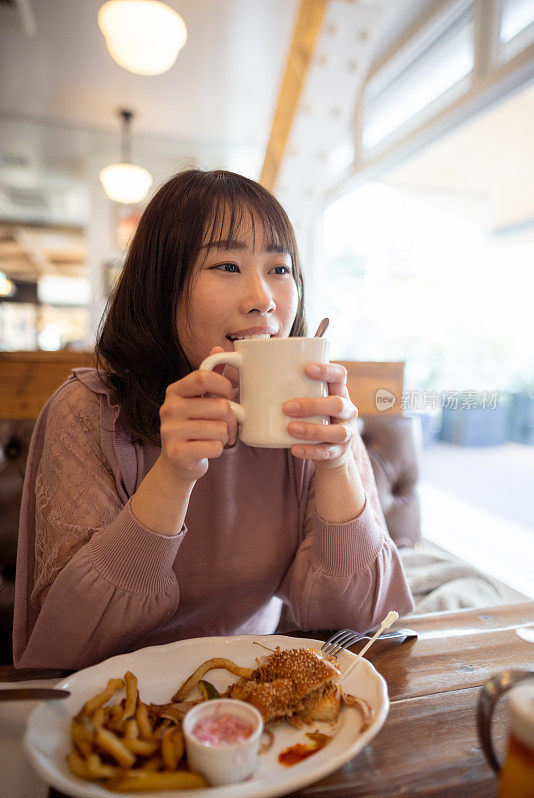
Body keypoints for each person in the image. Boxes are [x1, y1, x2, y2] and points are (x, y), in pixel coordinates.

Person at [13, 169, 413, 669]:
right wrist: (173, 475)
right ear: (162, 284)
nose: (263, 298)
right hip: (118, 708)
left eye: (280, 268)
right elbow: (64, 648)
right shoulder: (88, 412)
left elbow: (362, 622)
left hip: (255, 693)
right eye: (226, 265)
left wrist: (337, 465)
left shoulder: (315, 407)